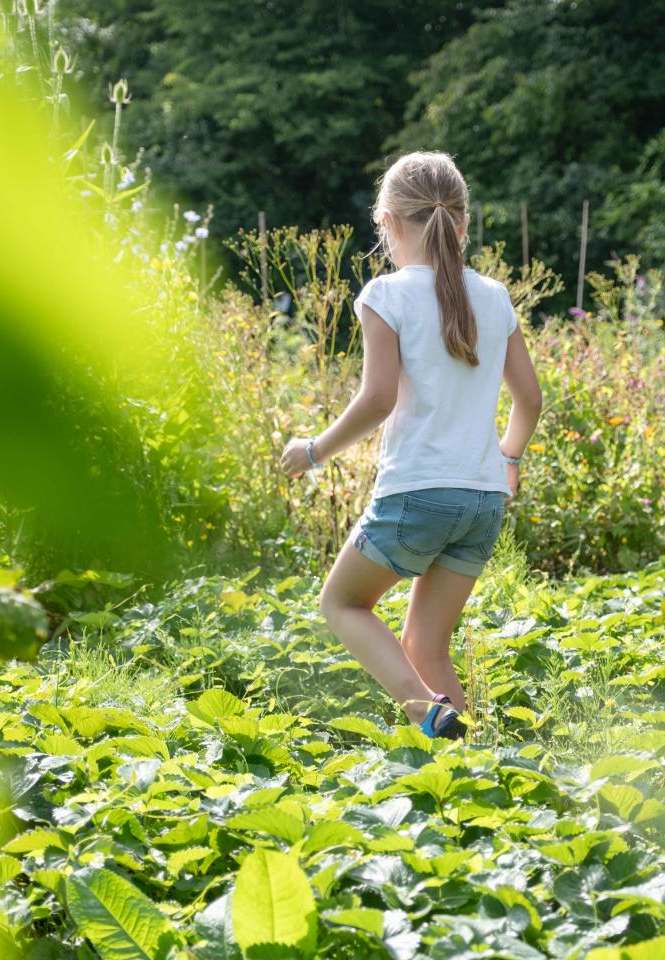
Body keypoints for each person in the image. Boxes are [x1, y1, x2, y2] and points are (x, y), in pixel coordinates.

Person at [279, 151, 543, 738]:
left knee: (342, 604)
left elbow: (377, 400)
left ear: (390, 224)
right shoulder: (495, 296)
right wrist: (509, 458)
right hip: (482, 502)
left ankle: (423, 711)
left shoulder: (386, 294)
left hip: (416, 495)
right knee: (427, 647)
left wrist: (314, 450)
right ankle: (471, 771)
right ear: (464, 224)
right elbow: (529, 399)